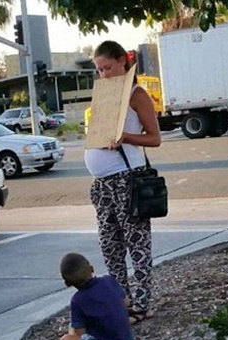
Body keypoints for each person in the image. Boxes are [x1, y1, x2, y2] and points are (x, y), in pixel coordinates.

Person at [84, 40, 161, 325]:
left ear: (122, 61)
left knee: (137, 242)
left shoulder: (136, 94)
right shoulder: (106, 94)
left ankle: (141, 305)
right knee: (110, 245)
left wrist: (126, 138)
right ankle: (121, 300)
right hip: (102, 183)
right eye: (99, 70)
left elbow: (155, 138)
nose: (103, 74)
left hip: (127, 179)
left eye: (107, 67)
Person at [51, 252, 133, 340]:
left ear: (67, 283)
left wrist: (72, 334)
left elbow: (80, 333)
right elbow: (126, 302)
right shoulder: (109, 280)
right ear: (91, 268)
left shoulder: (78, 300)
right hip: (128, 338)